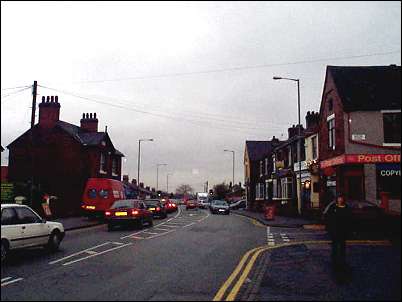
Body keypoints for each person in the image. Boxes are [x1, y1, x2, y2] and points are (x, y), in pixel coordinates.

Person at [325, 194, 352, 280]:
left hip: (343, 230)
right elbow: (328, 217)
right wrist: (329, 228)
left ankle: (342, 259)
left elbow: (350, 219)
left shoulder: (346, 207)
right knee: (335, 245)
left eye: (341, 198)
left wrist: (350, 229)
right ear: (337, 199)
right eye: (339, 198)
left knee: (342, 245)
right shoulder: (333, 207)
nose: (340, 200)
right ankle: (334, 259)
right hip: (335, 230)